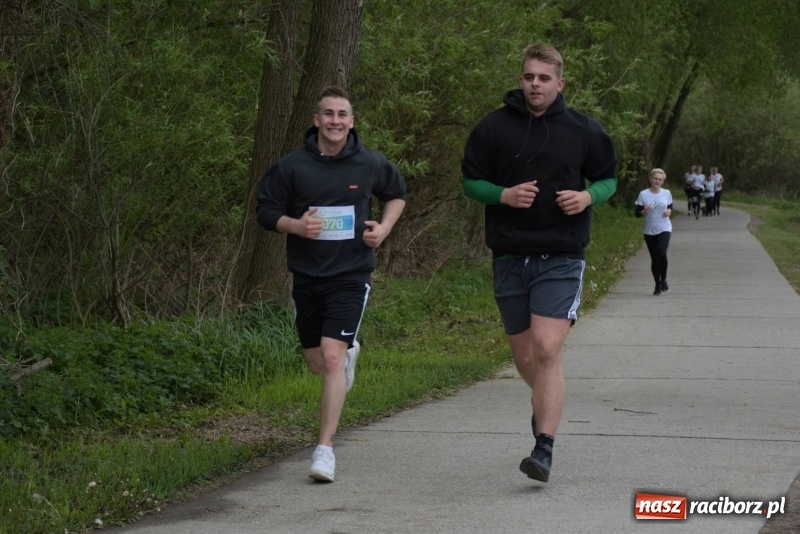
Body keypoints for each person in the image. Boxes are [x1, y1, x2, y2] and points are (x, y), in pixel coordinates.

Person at [461, 43, 618, 483]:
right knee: (526, 356)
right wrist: (502, 195)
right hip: (510, 254)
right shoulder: (493, 128)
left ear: (560, 83)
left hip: (562, 254)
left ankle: (543, 448)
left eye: (544, 78)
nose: (535, 85)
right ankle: (545, 407)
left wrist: (587, 196)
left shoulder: (584, 130)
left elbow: (608, 179)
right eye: (529, 76)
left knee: (548, 349)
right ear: (521, 78)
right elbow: (471, 182)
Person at [256, 86, 407, 482]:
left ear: (352, 122)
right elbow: (266, 210)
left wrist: (384, 228)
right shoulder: (292, 167)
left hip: (351, 275)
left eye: (343, 114)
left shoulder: (369, 163)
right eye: (328, 114)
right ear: (316, 119)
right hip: (307, 275)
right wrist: (295, 225)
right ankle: (348, 353)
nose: (335, 121)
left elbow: (397, 194)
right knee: (316, 363)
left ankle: (324, 450)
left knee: (330, 355)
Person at [635, 169, 673, 295]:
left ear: (663, 181)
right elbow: (637, 213)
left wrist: (669, 211)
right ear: (651, 179)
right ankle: (657, 285)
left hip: (664, 227)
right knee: (654, 258)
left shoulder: (666, 193)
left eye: (660, 179)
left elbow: (670, 206)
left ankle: (664, 279)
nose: (657, 181)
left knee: (661, 252)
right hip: (649, 230)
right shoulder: (643, 194)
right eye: (655, 178)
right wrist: (644, 211)